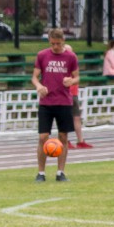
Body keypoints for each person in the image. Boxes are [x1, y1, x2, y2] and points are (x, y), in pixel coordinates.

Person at [31, 28, 80, 182]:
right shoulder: (42, 55)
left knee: (63, 136)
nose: (55, 47)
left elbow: (77, 77)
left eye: (58, 44)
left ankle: (60, 172)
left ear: (63, 41)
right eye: (52, 44)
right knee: (43, 137)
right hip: (46, 102)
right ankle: (41, 173)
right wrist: (39, 86)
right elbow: (34, 77)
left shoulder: (71, 57)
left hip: (64, 102)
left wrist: (71, 81)